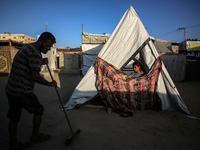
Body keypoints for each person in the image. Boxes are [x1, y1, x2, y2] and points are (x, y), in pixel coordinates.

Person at [5, 32, 57, 150]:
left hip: (11, 88)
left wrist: (40, 61)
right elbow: (36, 77)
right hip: (22, 91)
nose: (49, 49)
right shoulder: (35, 53)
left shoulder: (28, 47)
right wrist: (50, 83)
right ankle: (35, 135)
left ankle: (13, 144)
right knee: (39, 110)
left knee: (14, 117)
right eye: (47, 46)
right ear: (40, 41)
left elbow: (29, 63)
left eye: (50, 47)